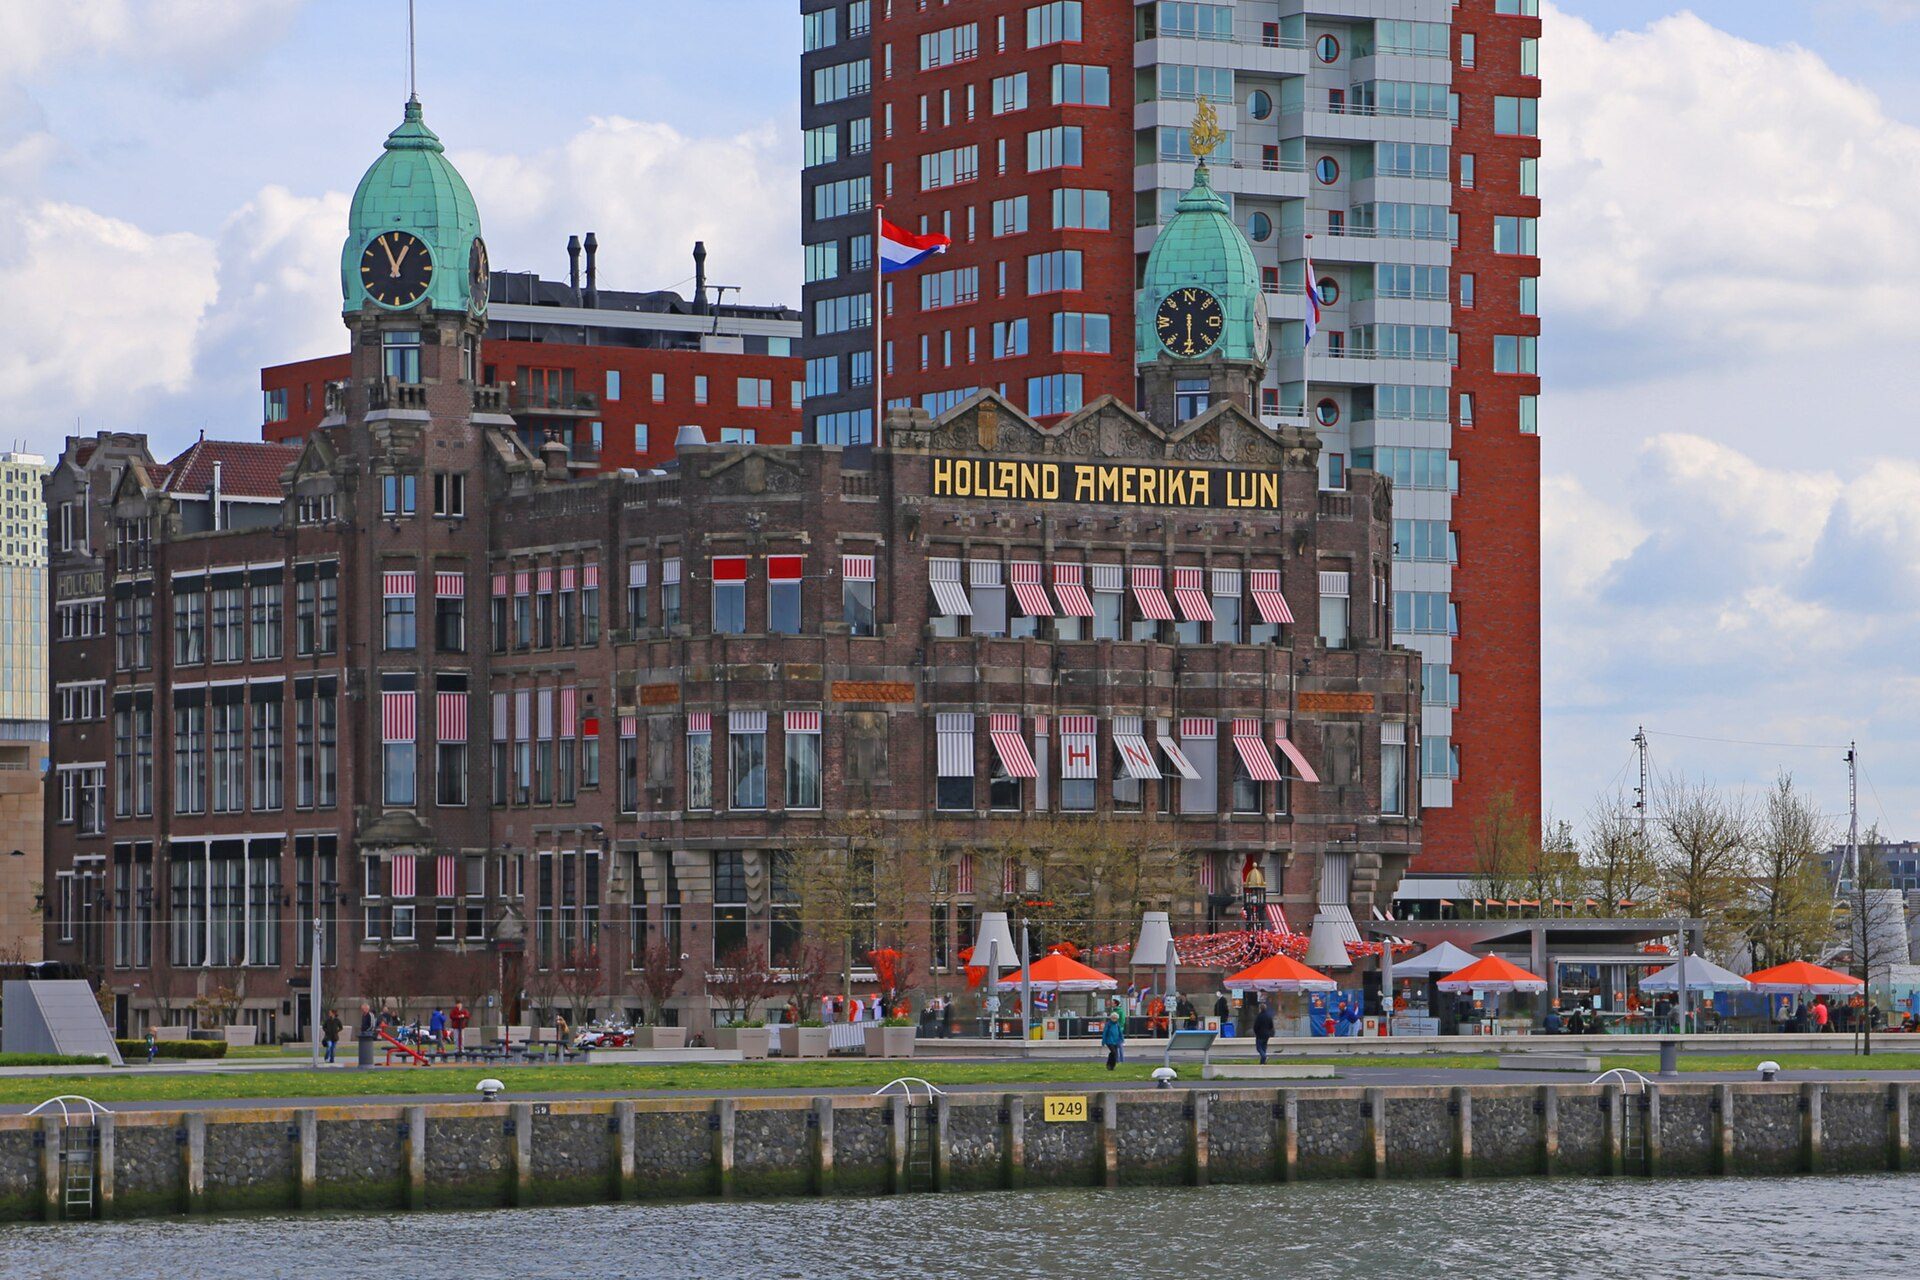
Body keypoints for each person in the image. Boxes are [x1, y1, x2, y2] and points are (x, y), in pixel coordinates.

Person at [1252, 1000, 1275, 1064]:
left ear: (1260, 1009)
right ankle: (1262, 1062)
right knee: (1264, 1048)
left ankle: (1264, 1057)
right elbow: (1271, 1026)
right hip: (1267, 1035)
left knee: (1259, 1048)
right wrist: (1269, 1032)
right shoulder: (1268, 1016)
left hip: (1260, 1035)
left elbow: (1255, 1026)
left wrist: (1256, 1033)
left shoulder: (1259, 1016)